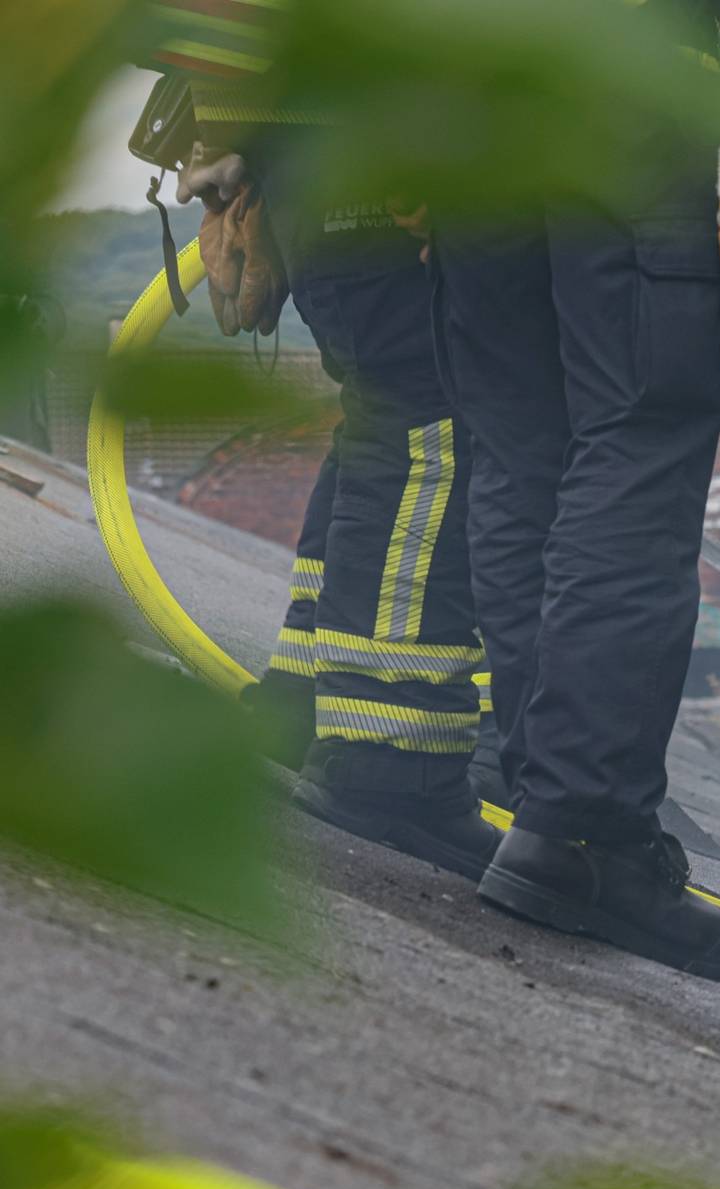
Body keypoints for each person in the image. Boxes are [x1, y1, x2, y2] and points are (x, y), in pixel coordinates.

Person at [433, 1, 720, 979]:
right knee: (637, 445)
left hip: (468, 111)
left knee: (519, 453)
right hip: (630, 97)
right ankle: (582, 833)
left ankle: (543, 792)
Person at [127, 70, 496, 880]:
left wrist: (247, 152)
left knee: (387, 419)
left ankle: (305, 699)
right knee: (431, 432)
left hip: (324, 160)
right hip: (380, 159)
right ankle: (391, 756)